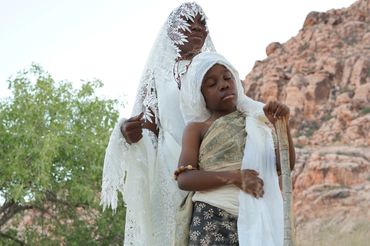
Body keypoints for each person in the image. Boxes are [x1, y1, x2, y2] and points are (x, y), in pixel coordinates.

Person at [100, 2, 217, 245]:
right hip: (170, 173)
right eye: (188, 21)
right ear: (172, 30)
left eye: (201, 22)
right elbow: (147, 129)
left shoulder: (216, 70)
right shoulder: (158, 75)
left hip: (215, 166)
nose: (196, 27)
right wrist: (128, 133)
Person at [176, 52, 295, 245]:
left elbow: (284, 167)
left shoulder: (256, 124)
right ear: (200, 95)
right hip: (212, 220)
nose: (223, 84)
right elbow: (184, 178)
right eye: (211, 84)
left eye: (227, 77)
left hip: (256, 221)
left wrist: (282, 126)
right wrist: (236, 177)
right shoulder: (197, 129)